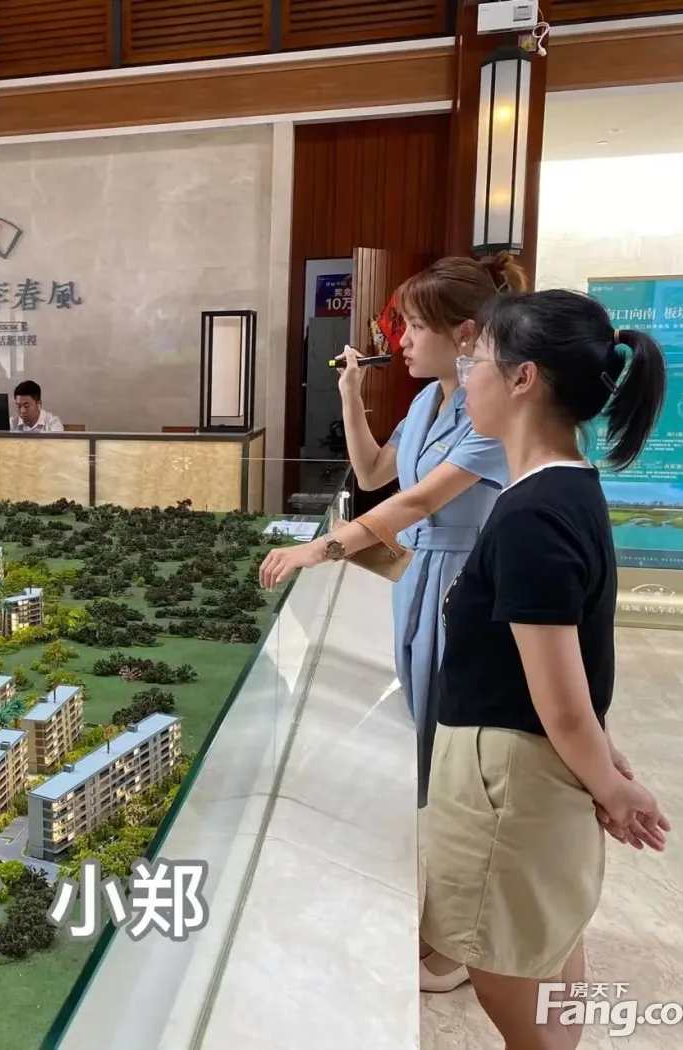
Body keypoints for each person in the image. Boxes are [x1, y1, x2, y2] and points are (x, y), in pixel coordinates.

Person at [260, 254, 524, 992]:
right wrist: (351, 394)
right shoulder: (430, 401)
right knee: (431, 756)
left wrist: (321, 547)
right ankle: (447, 923)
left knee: (462, 772)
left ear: (465, 333)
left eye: (412, 327)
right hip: (421, 583)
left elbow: (416, 502)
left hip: (468, 587)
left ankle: (460, 941)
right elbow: (377, 473)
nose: (400, 340)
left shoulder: (490, 414)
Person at [422, 289, 670, 1048]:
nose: (467, 376)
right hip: (531, 770)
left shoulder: (534, 513)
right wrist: (602, 759)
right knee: (548, 946)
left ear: (524, 378)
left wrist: (613, 789)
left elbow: (559, 696)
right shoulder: (566, 488)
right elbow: (580, 661)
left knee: (502, 962)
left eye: (478, 360)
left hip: (509, 779)